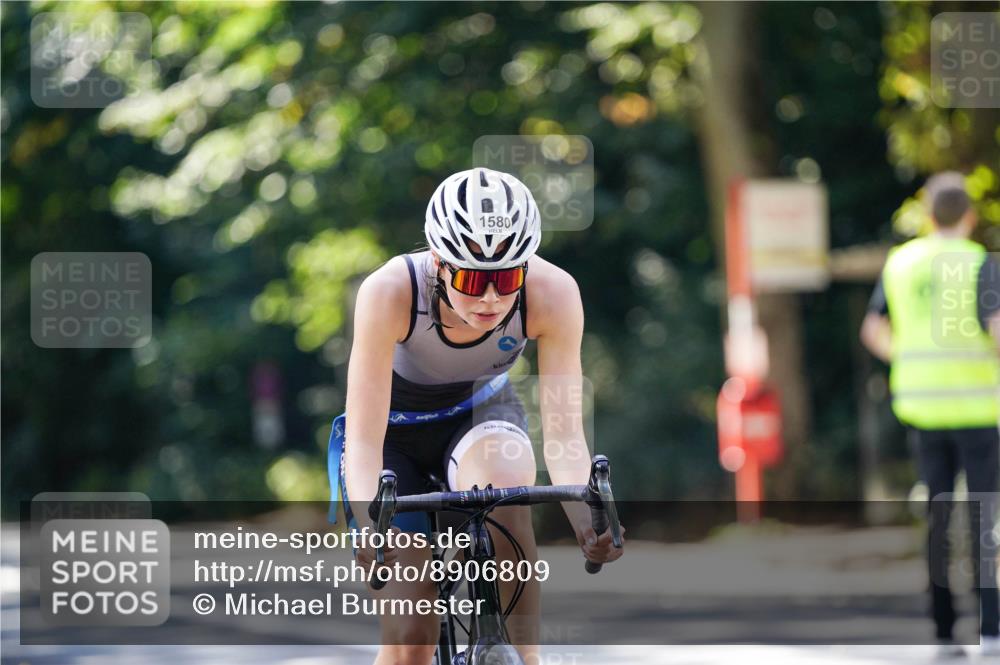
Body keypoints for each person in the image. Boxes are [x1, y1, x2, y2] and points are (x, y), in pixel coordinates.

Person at [334, 167, 625, 665]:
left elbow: (563, 435)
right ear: (439, 264)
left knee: (507, 492)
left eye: (508, 278)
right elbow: (362, 440)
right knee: (410, 639)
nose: (491, 299)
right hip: (391, 437)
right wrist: (370, 525)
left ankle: (523, 657)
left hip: (478, 416)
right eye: (472, 279)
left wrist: (587, 521)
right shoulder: (390, 291)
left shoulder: (553, 293)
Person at [860, 171, 1000, 657]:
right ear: (970, 216)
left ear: (925, 214)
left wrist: (907, 356)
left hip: (920, 407)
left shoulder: (901, 263)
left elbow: (873, 330)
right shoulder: (980, 261)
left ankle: (944, 629)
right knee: (984, 517)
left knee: (939, 517)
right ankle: (992, 627)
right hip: (978, 408)